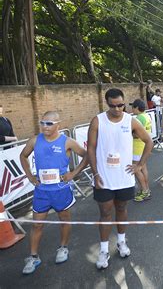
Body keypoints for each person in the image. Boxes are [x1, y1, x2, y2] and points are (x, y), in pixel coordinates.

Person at [87, 88, 153, 270]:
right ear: (106, 104)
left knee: (122, 208)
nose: (117, 109)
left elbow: (149, 141)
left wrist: (139, 165)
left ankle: (121, 242)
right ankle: (103, 250)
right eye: (113, 106)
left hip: (124, 177)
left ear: (125, 103)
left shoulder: (130, 121)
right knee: (106, 213)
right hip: (103, 178)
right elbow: (91, 148)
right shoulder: (97, 121)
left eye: (121, 105)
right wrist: (95, 173)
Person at [20, 111, 89, 274]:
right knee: (37, 224)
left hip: (60, 190)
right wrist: (30, 176)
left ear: (59, 124)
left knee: (64, 220)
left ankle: (63, 247)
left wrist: (73, 173)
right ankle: (33, 256)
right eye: (42, 123)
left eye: (49, 123)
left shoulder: (67, 142)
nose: (45, 126)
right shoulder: (35, 140)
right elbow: (23, 156)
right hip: (41, 191)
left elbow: (86, 156)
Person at [130, 99, 152, 202]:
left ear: (137, 108)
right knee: (143, 168)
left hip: (138, 147)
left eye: (133, 107)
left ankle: (144, 191)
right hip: (144, 146)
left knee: (136, 169)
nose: (132, 109)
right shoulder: (147, 115)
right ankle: (146, 189)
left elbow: (135, 134)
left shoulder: (139, 118)